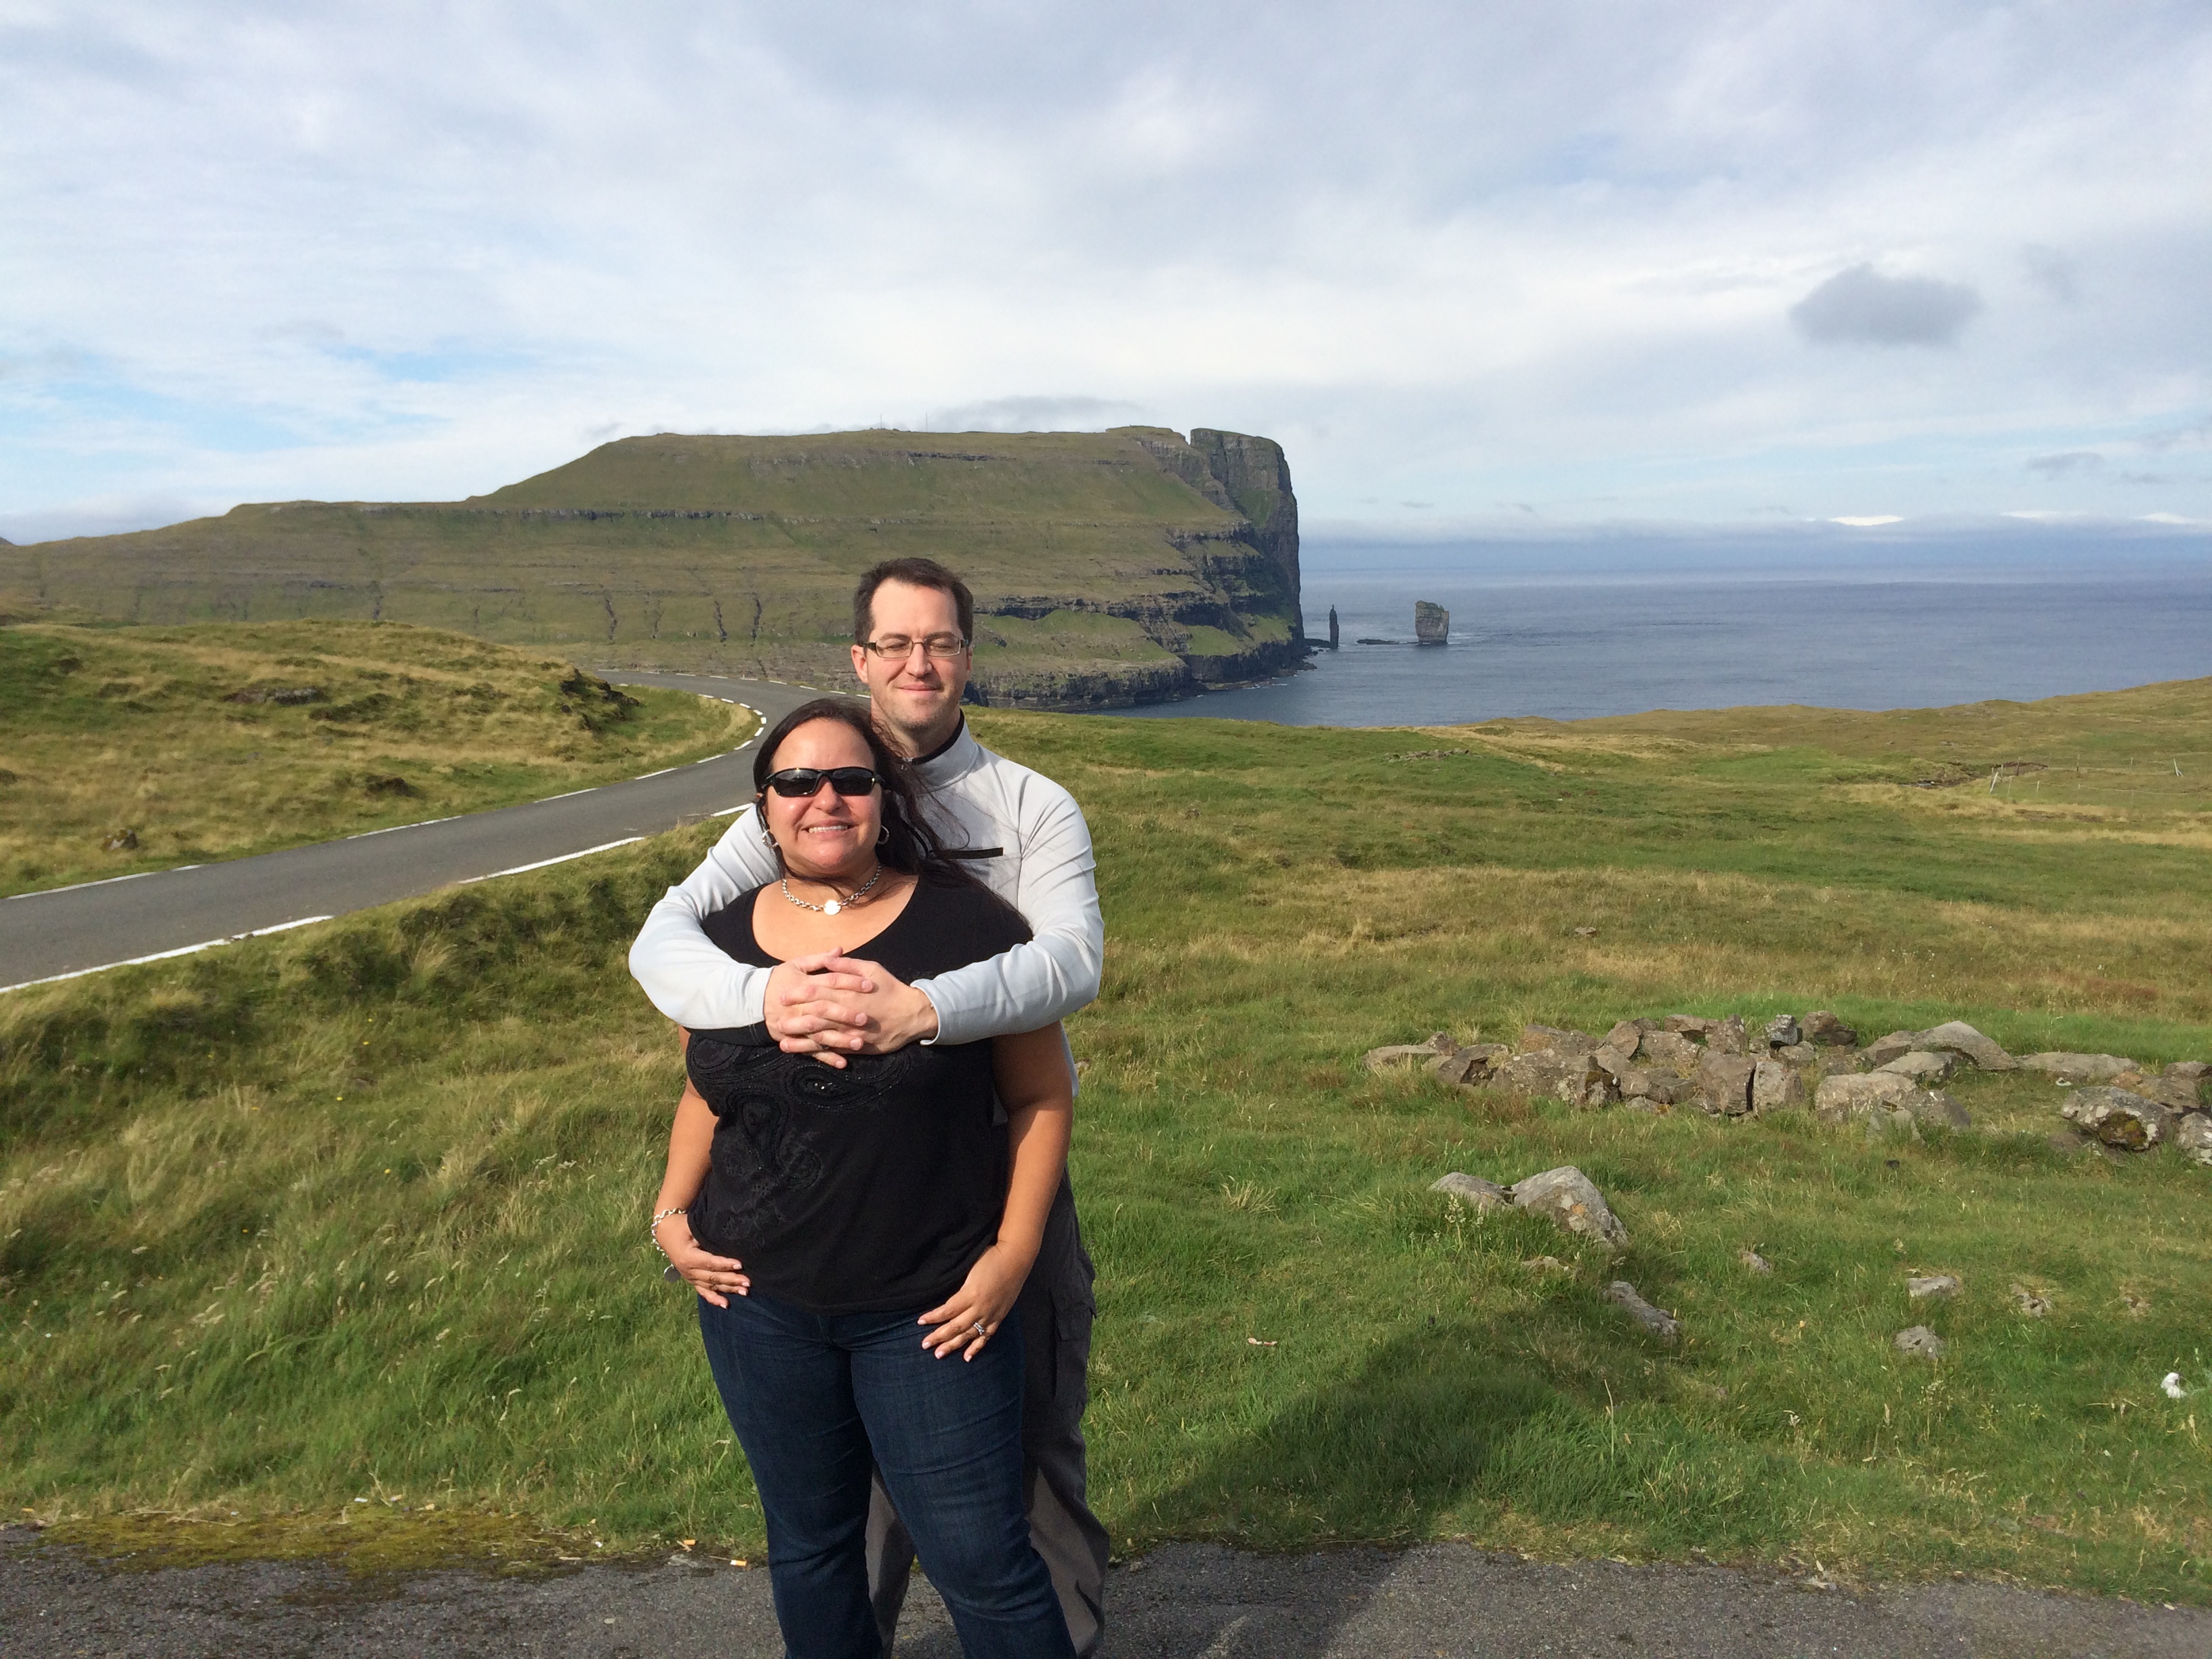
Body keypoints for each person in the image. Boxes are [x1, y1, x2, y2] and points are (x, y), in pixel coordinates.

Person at [629, 557, 1110, 1654]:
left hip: (986, 1171)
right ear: (862, 658)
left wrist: (923, 1012)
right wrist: (765, 1002)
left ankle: (1068, 1639)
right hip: (805, 1238)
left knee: (1024, 1460)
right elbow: (666, 947)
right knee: (833, 1522)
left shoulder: (1031, 807)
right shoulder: (805, 799)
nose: (917, 664)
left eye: (939, 642)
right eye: (895, 644)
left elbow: (1071, 966)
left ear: (969, 657)